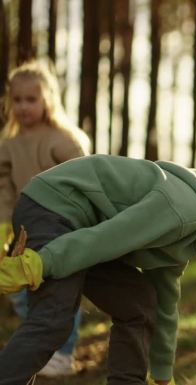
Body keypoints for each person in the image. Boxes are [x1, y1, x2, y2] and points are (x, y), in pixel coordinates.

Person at [0, 154, 196, 385]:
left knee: (139, 303)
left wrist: (163, 375)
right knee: (53, 320)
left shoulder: (191, 234)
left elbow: (165, 303)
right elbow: (108, 238)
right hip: (54, 207)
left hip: (84, 232)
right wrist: (42, 263)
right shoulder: (183, 211)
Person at [0, 60, 90, 377]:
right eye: (17, 99)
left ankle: (62, 355)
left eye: (31, 99)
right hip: (24, 230)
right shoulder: (8, 143)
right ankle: (42, 345)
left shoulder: (62, 139)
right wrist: (3, 226)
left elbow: (87, 177)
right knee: (22, 293)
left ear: (47, 100)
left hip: (60, 226)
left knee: (59, 291)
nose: (23, 106)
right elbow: (4, 186)